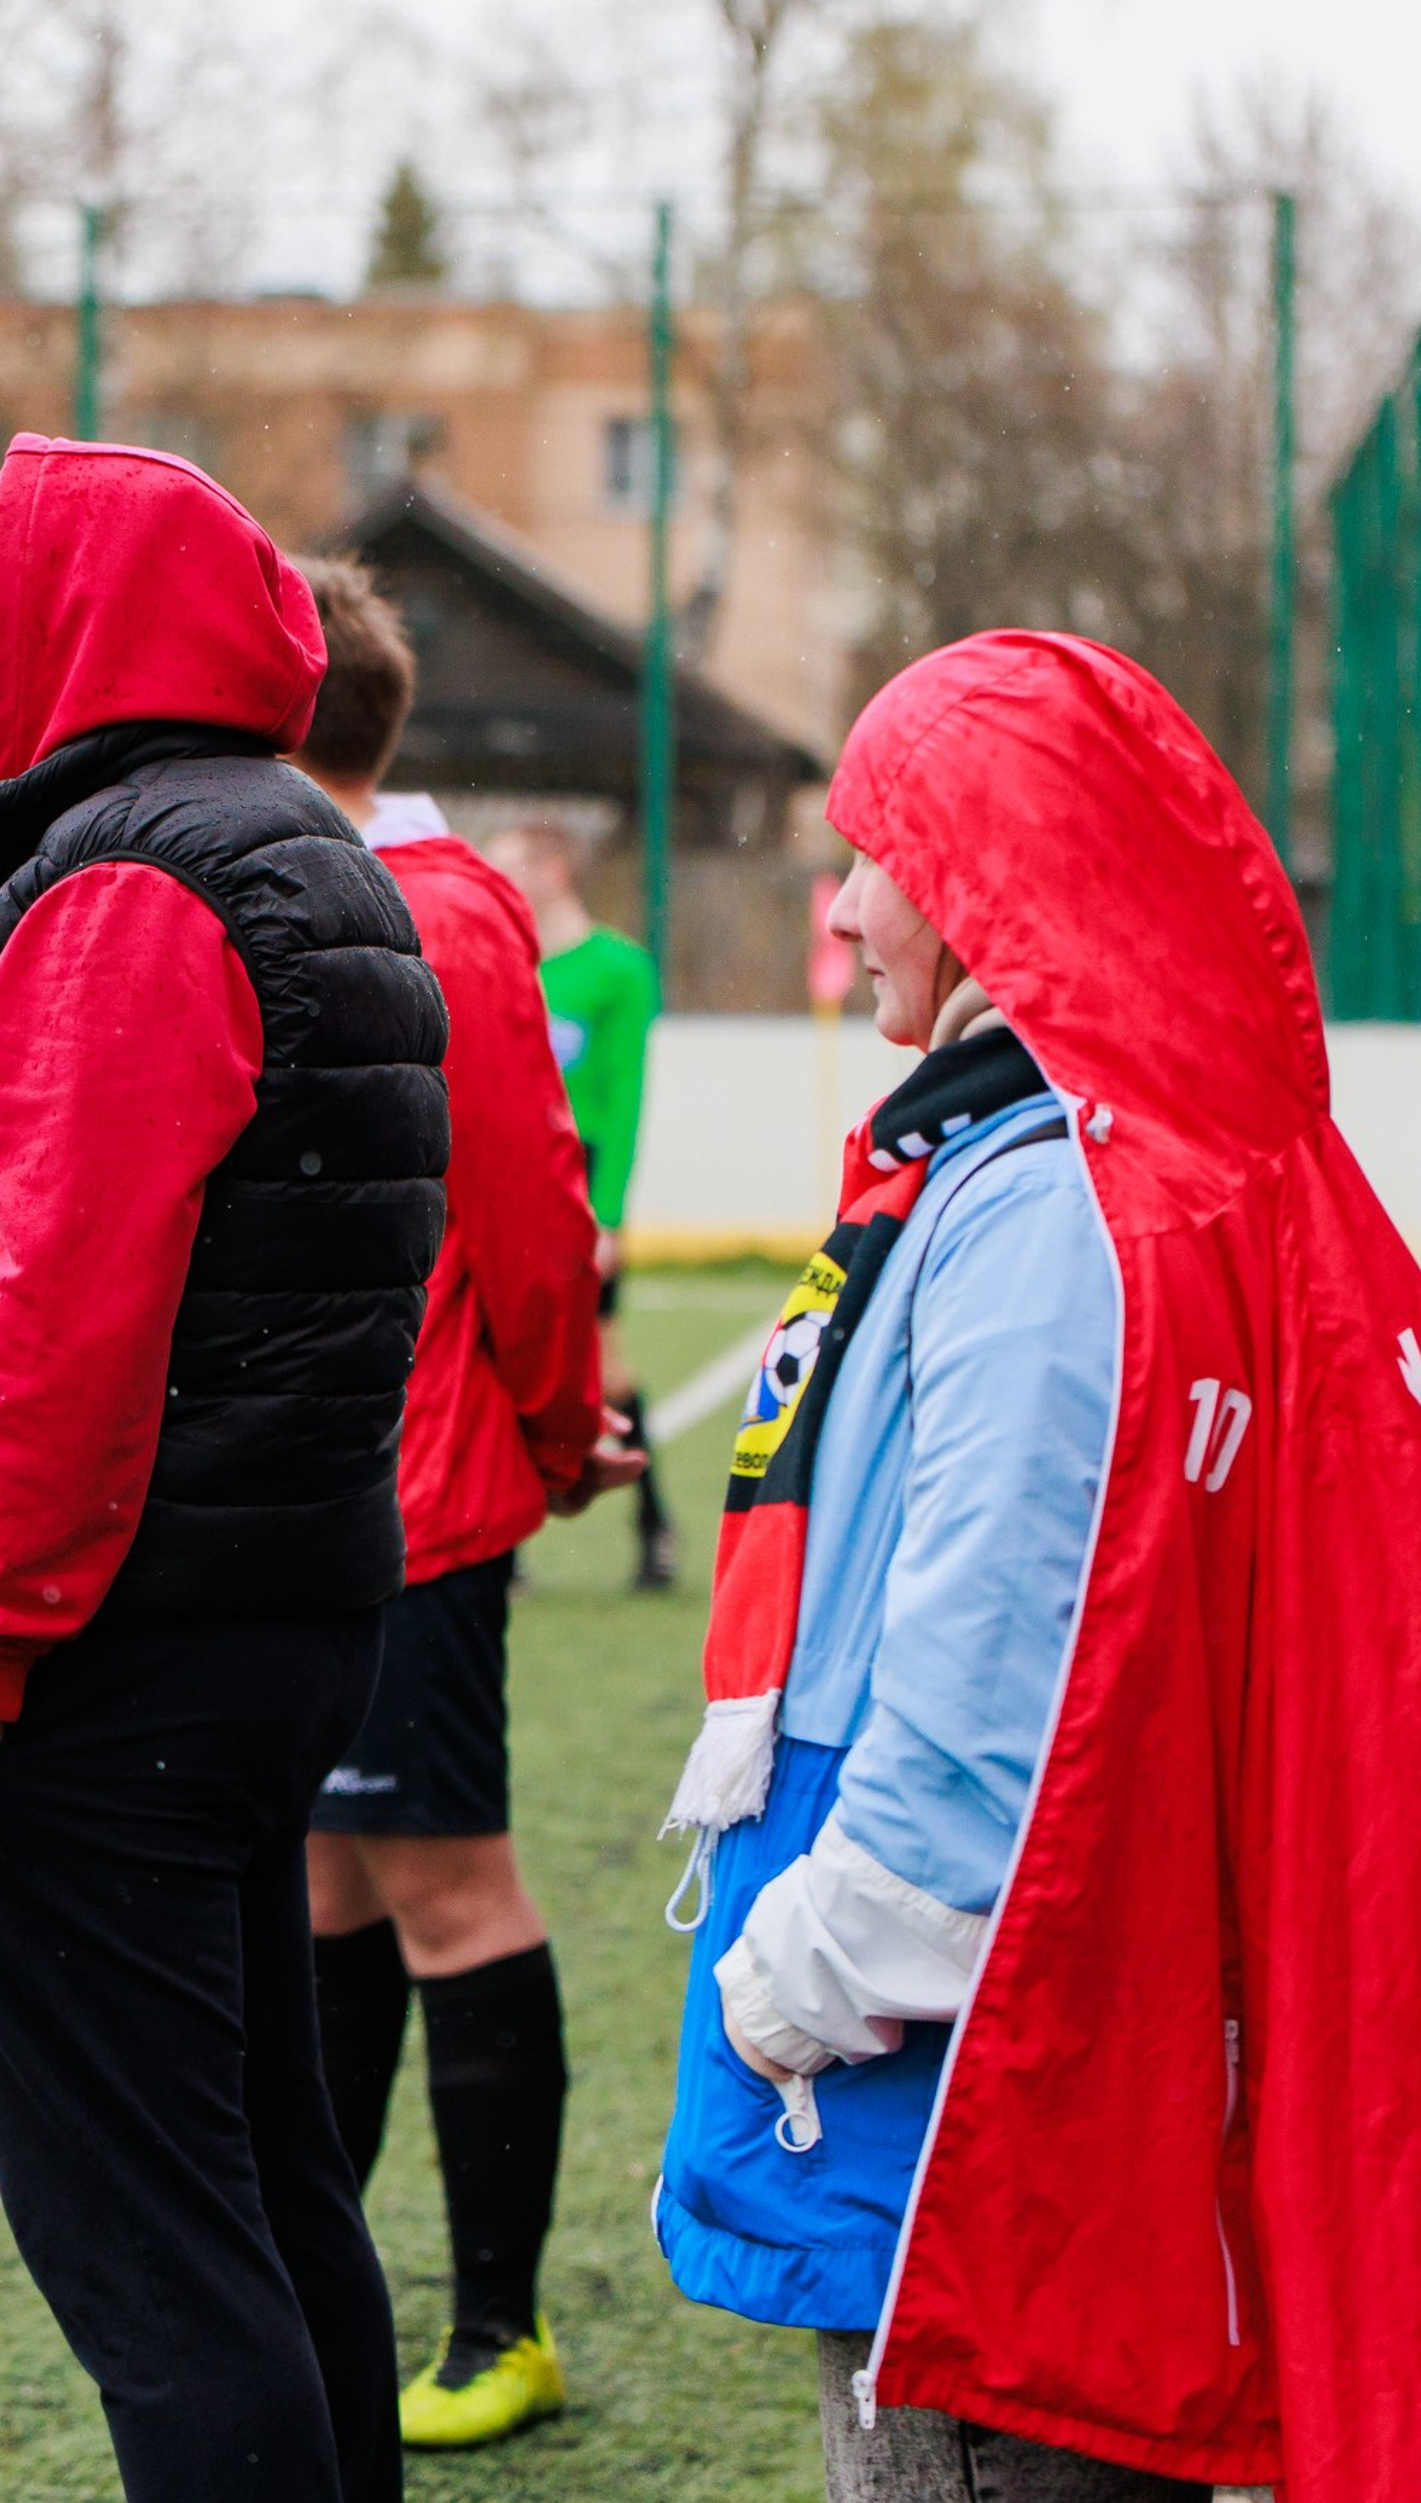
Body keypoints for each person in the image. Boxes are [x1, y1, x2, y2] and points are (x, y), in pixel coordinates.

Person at [653, 630, 1421, 2503]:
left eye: (875, 857)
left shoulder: (1051, 1191)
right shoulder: (1044, 1159)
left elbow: (1014, 1619)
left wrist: (826, 1957)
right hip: (970, 2014)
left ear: (1000, 878)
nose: (839, 912)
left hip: (959, 2048)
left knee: (975, 2453)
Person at [0, 439, 448, 2503]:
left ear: (74, 621)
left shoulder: (129, 879)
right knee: (268, 2187)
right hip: (264, 1615)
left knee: (162, 2252)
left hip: (110, 1653)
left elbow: (72, 1315)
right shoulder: (292, 846)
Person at [285, 555, 636, 2451]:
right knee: (329, 1879)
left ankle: (498, 2327)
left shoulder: (440, 914)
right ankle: (330, 2302)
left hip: (404, 1501)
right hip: (306, 1507)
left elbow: (528, 1208)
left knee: (442, 1886)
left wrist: (566, 1438)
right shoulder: (290, 885)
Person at [486, 820, 673, 1591]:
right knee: (496, 1355)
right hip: (511, 1178)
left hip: (579, 1176)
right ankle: (503, 1539)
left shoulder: (619, 969)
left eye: (511, 869)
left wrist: (608, 1212)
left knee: (608, 1366)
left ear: (554, 869)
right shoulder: (500, 962)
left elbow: (626, 1095)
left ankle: (655, 1529)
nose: (499, 886)